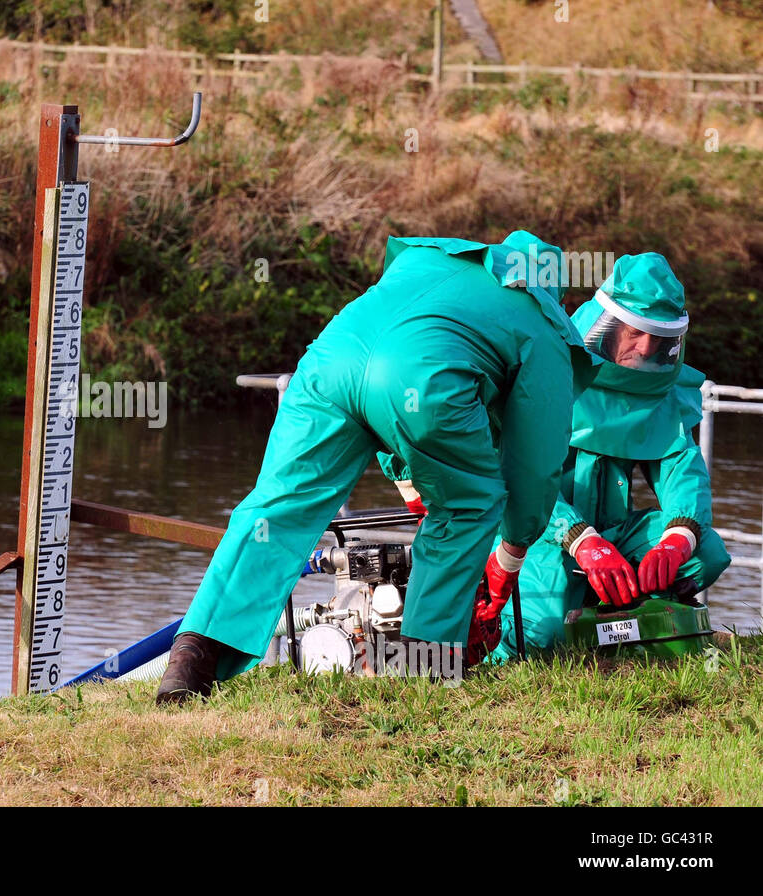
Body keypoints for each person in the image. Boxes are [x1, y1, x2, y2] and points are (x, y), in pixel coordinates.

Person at [156, 231, 597, 703]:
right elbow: (535, 463)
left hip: (327, 364)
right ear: (556, 293)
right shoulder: (540, 321)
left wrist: (411, 485)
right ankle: (422, 670)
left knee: (278, 506)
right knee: (468, 506)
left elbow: (385, 378)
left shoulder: (429, 265)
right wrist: (510, 554)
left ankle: (193, 656)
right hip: (421, 380)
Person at [488, 253, 730, 660]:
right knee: (543, 631)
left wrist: (677, 538)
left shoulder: (660, 391)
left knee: (704, 553)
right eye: (636, 331)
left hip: (613, 532)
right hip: (538, 532)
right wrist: (581, 539)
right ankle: (506, 632)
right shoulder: (552, 366)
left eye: (660, 338)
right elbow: (521, 474)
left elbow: (680, 468)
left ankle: (618, 620)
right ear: (609, 324)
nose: (647, 348)